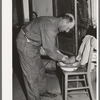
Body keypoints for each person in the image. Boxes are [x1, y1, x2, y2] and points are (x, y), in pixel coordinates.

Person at [16, 13, 75, 100]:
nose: (67, 31)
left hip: (34, 44)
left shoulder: (55, 22)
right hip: (25, 43)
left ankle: (42, 93)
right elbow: (50, 51)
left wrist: (62, 55)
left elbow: (51, 45)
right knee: (31, 75)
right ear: (64, 21)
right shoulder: (49, 27)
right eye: (68, 28)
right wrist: (66, 60)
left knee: (40, 69)